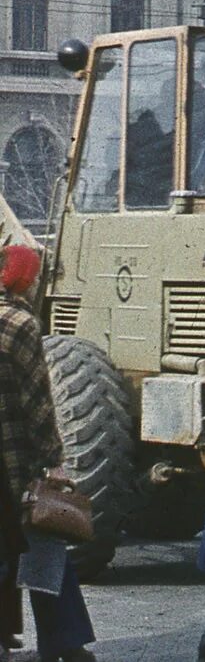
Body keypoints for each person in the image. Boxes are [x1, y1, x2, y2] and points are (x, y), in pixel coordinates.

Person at [0, 246, 96, 662]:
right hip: (14, 462)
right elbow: (37, 403)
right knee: (44, 545)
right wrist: (53, 460)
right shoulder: (20, 323)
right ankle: (65, 643)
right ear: (27, 280)